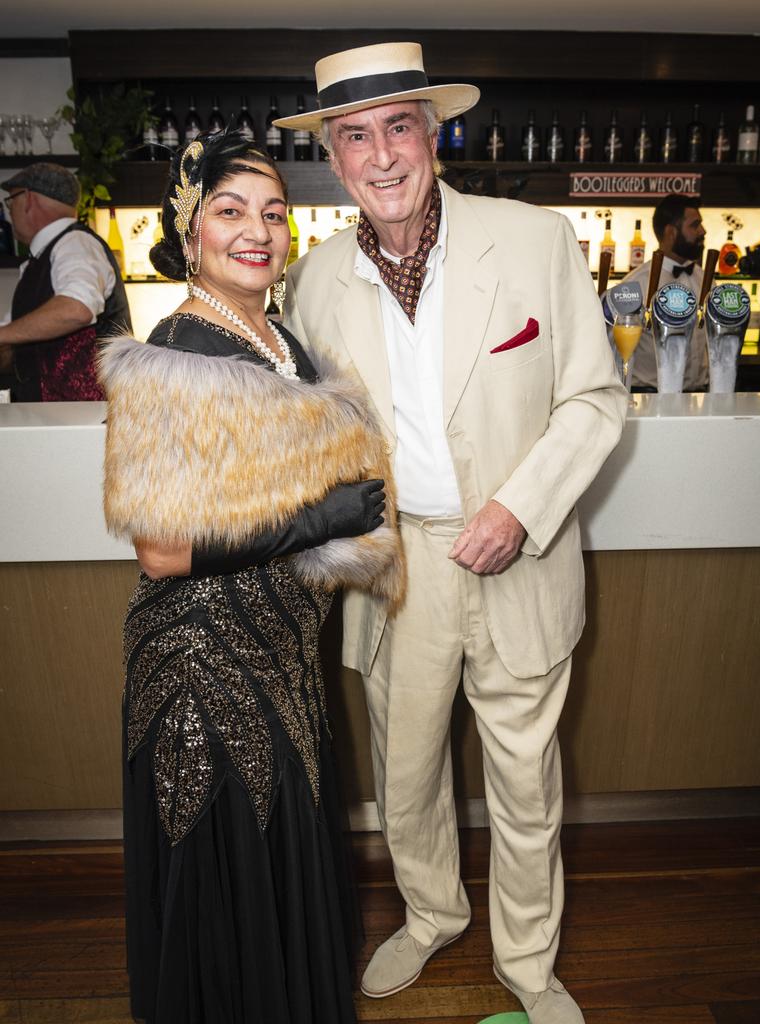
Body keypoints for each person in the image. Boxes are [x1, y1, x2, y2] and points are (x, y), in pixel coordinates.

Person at [278, 42, 627, 1024]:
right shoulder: (313, 283)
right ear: (335, 158)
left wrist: (520, 505)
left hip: (523, 550)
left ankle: (527, 958)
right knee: (406, 769)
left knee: (525, 778)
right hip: (399, 566)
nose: (381, 154)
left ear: (432, 136)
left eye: (399, 127)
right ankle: (431, 912)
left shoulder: (533, 240)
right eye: (356, 135)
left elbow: (596, 399)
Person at [98, 130, 405, 1024]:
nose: (257, 231)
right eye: (230, 211)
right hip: (203, 662)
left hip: (278, 644)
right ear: (189, 230)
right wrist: (324, 519)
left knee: (282, 852)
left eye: (273, 212)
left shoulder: (280, 339)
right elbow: (160, 549)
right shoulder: (176, 348)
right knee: (227, 872)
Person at [0, 163, 131, 401]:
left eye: (11, 201)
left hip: (83, 421)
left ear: (28, 199)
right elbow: (15, 352)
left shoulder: (75, 243)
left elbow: (76, 309)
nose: (10, 212)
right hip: (55, 418)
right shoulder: (39, 260)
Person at [620, 195, 708, 391]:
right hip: (650, 396)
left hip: (699, 396)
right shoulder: (636, 284)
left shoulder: (704, 279)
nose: (703, 231)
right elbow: (616, 348)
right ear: (671, 232)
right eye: (695, 225)